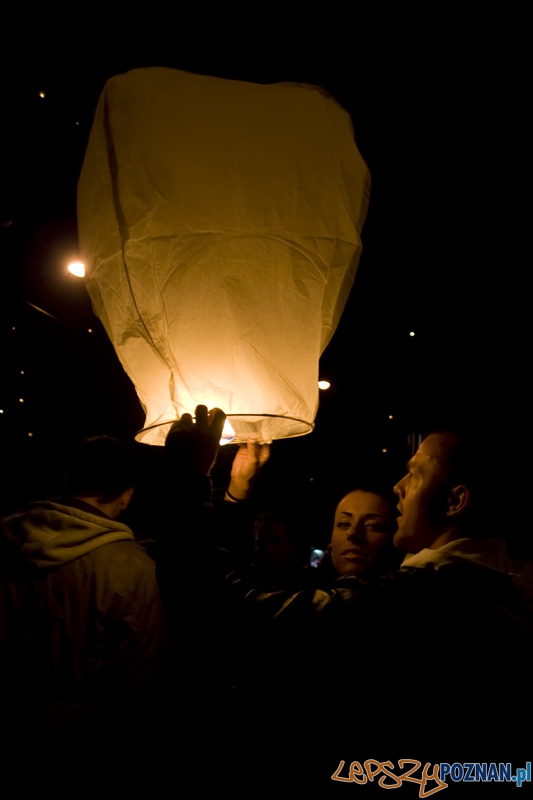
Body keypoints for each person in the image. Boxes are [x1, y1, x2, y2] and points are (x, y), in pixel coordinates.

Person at [0, 436, 169, 777]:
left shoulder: (4, 540)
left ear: (66, 478)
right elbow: (140, 678)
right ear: (127, 494)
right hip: (80, 746)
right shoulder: (130, 567)